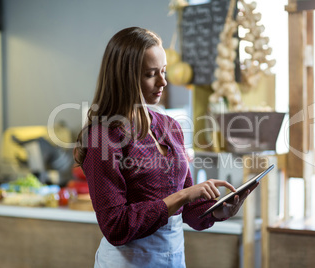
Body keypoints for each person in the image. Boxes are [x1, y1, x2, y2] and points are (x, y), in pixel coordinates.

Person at [74, 26, 259, 268]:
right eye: (151, 74)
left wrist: (216, 212)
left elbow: (191, 210)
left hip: (173, 258)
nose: (163, 82)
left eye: (164, 71)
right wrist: (182, 196)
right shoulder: (104, 136)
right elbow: (115, 227)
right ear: (125, 76)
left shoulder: (170, 126)